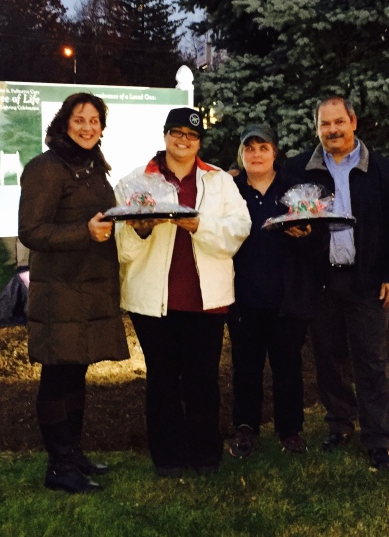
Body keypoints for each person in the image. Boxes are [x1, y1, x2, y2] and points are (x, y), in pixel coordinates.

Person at [114, 107, 251, 478]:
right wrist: (140, 229)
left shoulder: (219, 180)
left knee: (202, 379)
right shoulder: (135, 181)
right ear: (165, 136)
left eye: (191, 135)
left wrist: (198, 225)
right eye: (176, 133)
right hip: (151, 302)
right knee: (162, 379)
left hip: (206, 300)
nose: (183, 140)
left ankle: (205, 455)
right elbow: (121, 249)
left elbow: (239, 229)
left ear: (199, 142)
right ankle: (168, 457)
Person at [285, 95, 389, 470]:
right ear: (317, 128)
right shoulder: (301, 169)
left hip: (367, 282)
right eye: (325, 124)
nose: (332, 130)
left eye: (338, 122)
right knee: (328, 358)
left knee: (371, 362)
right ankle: (339, 423)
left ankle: (378, 438)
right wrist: (293, 229)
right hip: (323, 282)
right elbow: (279, 206)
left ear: (353, 122)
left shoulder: (381, 171)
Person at [18, 92, 130, 493]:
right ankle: (58, 466)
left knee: (76, 372)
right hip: (60, 291)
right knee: (57, 375)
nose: (88, 127)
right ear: (65, 123)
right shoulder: (46, 168)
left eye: (94, 120)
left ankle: (73, 454)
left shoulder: (92, 167)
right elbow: (30, 232)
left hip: (90, 287)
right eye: (80, 119)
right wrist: (82, 233)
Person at [228, 124, 311, 457]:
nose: (256, 154)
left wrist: (306, 234)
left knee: (288, 366)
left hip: (285, 298)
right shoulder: (231, 190)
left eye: (263, 148)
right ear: (241, 155)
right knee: (245, 367)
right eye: (250, 149)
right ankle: (246, 429)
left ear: (275, 152)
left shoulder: (294, 189)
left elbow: (317, 237)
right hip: (243, 297)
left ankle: (290, 431)